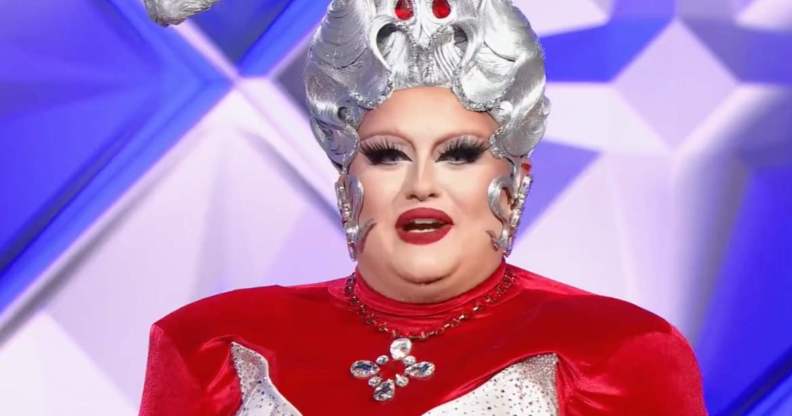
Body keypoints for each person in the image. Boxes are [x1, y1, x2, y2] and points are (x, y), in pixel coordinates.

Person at [139, 1, 708, 415]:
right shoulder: (217, 344)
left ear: (514, 182)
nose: (421, 185)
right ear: (348, 180)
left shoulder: (615, 351)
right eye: (388, 156)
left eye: (458, 154)